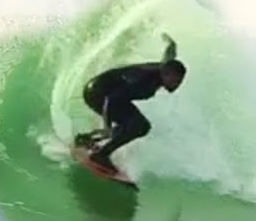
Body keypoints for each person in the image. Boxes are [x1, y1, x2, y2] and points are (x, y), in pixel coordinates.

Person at [74, 34, 187, 172]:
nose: (176, 86)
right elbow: (111, 99)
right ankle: (101, 155)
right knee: (138, 125)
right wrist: (107, 127)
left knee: (138, 126)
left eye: (180, 82)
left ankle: (87, 139)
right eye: (175, 81)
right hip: (97, 93)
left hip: (111, 94)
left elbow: (170, 55)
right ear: (166, 74)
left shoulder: (164, 68)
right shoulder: (143, 81)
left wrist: (170, 42)